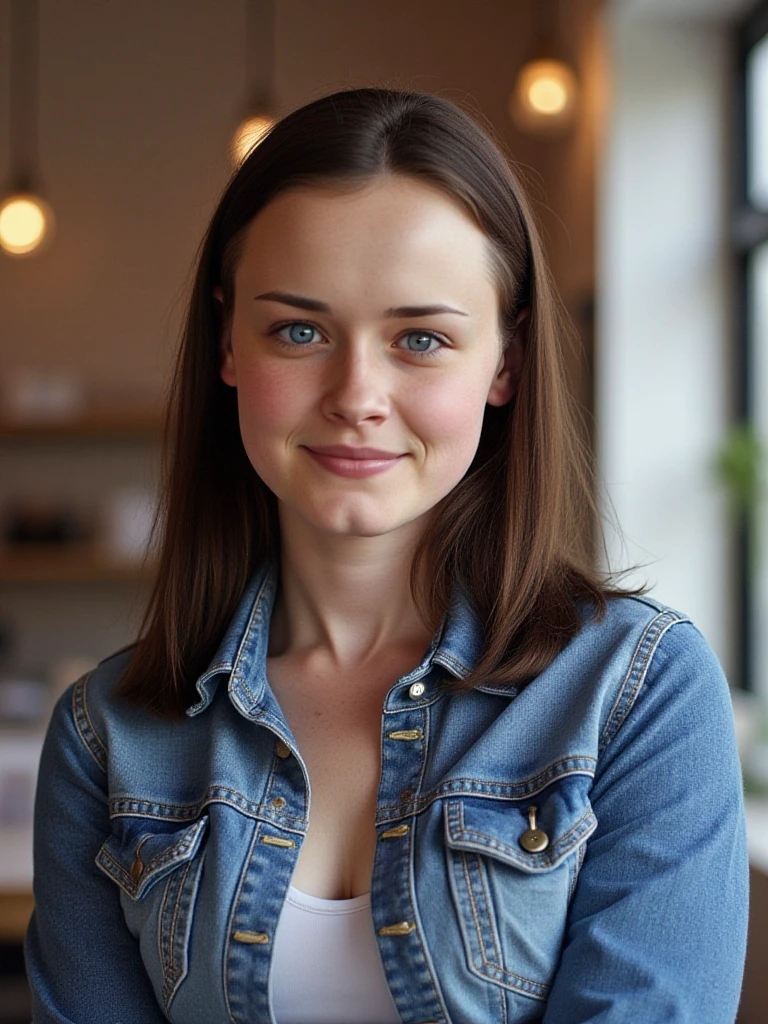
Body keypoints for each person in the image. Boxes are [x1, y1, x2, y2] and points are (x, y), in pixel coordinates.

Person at [24, 87, 748, 1024]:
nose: (357, 393)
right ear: (227, 344)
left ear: (506, 363)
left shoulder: (637, 694)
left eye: (420, 338)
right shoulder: (104, 739)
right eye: (299, 330)